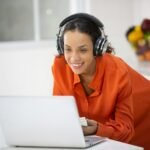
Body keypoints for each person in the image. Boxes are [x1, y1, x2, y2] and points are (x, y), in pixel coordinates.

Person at [52, 13, 150, 150]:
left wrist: (97, 129)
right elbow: (60, 114)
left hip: (145, 114)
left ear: (98, 48)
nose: (74, 58)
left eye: (83, 50)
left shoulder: (117, 71)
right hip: (110, 136)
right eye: (68, 49)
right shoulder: (60, 67)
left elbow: (126, 129)